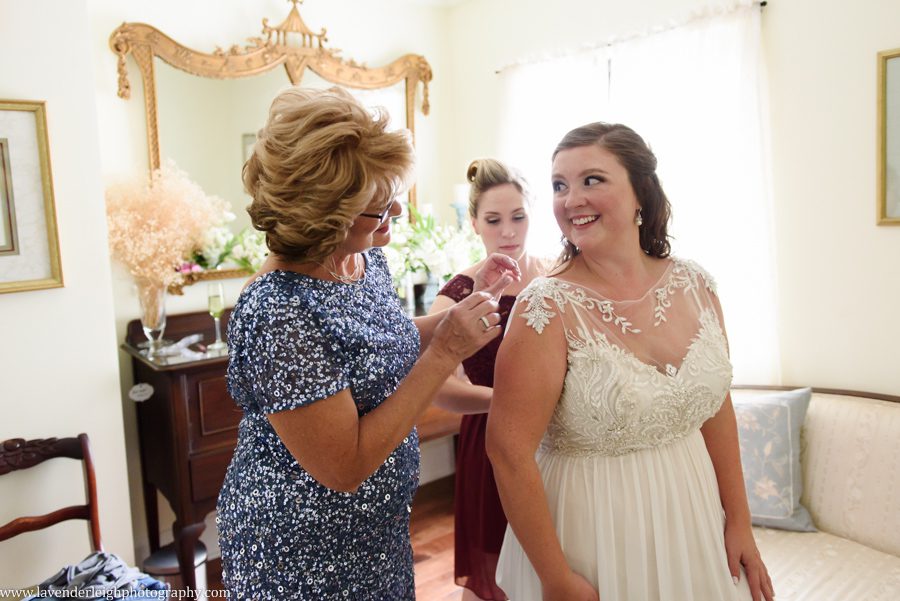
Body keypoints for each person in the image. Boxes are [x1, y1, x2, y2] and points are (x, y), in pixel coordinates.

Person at [215, 87, 519, 600]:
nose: (396, 210)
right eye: (377, 207)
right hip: (300, 552)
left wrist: (465, 304)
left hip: (377, 534)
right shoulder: (276, 312)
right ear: (323, 216)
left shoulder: (362, 258)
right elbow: (346, 465)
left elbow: (381, 342)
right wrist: (446, 351)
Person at [486, 122, 774, 601]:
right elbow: (508, 452)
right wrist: (556, 578)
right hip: (595, 532)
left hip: (694, 512)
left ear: (641, 192)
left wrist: (739, 520)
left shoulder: (695, 284)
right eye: (559, 185)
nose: (571, 199)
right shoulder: (546, 307)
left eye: (591, 180)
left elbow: (715, 407)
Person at [429, 159, 547, 601]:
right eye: (494, 220)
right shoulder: (457, 294)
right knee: (496, 572)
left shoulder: (559, 276)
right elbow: (437, 386)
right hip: (493, 438)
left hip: (560, 438)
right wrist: (505, 401)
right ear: (475, 223)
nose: (508, 232)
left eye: (518, 217)